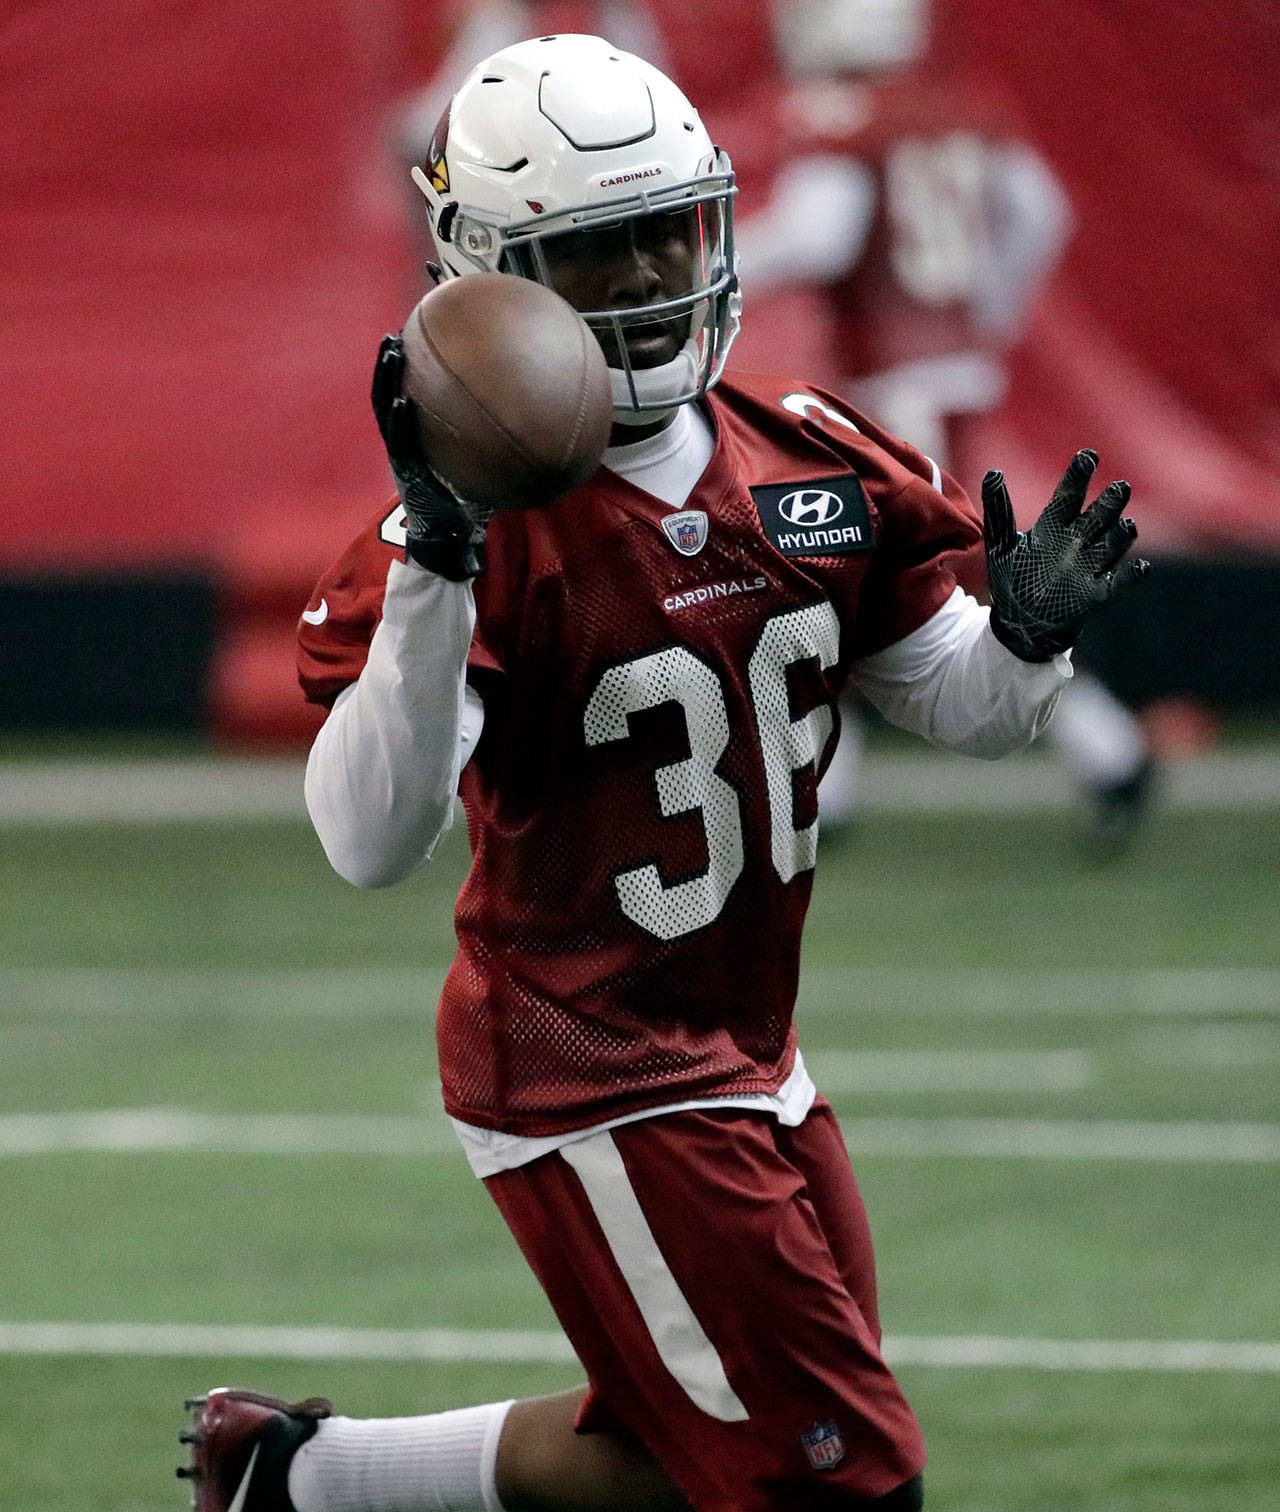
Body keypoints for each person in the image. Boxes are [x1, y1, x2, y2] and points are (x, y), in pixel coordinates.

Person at [180, 33, 1146, 1512]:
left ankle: (299, 1484)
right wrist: (437, 558)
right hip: (593, 1072)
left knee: (683, 1454)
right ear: (492, 273)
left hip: (752, 1047)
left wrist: (1024, 644)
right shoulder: (473, 538)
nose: (643, 280)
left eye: (662, 233)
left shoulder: (805, 456)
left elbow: (960, 705)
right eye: (596, 251)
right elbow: (369, 842)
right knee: (838, 1476)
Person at [728, 0, 1158, 850]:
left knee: (927, 584)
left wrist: (714, 261)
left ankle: (1111, 750)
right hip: (945, 370)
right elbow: (1042, 212)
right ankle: (828, 785)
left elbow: (821, 236)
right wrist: (980, 318)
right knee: (866, 575)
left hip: (898, 385)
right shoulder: (957, 106)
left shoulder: (851, 118)